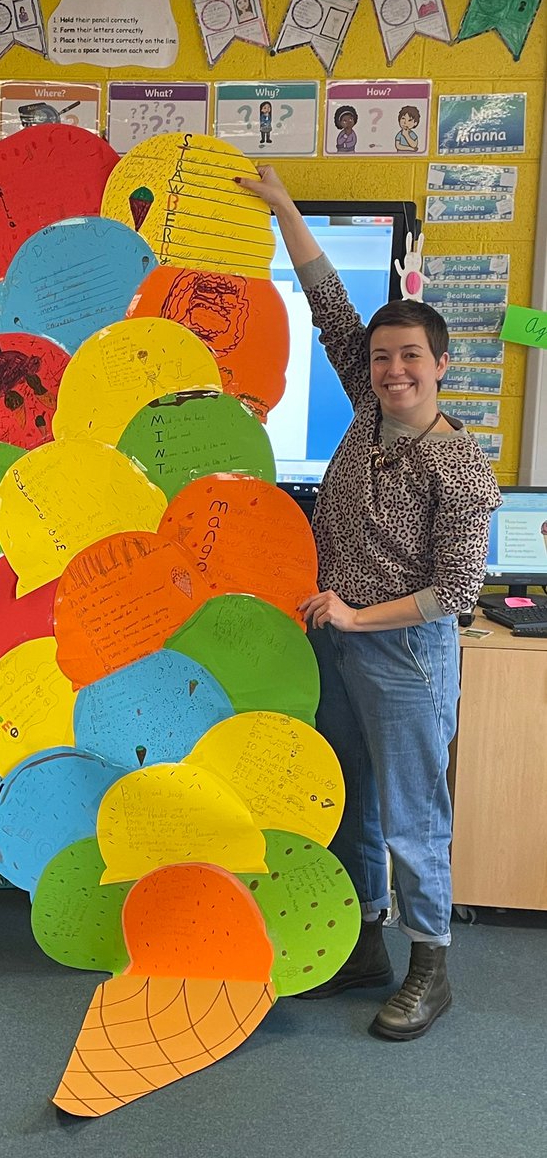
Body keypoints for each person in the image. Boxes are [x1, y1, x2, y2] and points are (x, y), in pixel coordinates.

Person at [236, 167, 501, 1040]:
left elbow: (456, 591)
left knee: (415, 814)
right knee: (347, 795)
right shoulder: (362, 403)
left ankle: (431, 968)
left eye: (410, 356)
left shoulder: (458, 463)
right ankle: (362, 950)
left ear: (441, 365)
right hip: (337, 645)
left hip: (402, 655)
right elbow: (330, 304)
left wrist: (353, 616)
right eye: (383, 356)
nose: (392, 368)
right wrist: (283, 208)